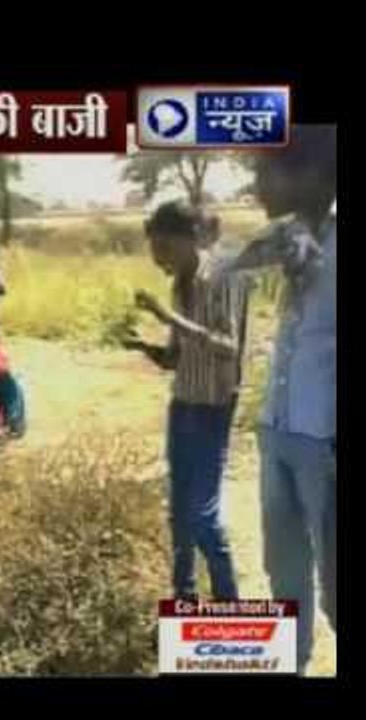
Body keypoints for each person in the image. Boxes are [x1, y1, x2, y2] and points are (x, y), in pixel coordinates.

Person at [219, 126, 336, 674]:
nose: (257, 185)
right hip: (279, 429)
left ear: (312, 177)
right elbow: (220, 268)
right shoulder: (287, 240)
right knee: (282, 571)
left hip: (326, 442)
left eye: (267, 172)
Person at [129, 200, 250, 602]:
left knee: (202, 516)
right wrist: (144, 346)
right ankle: (185, 599)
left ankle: (228, 604)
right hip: (183, 405)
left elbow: (228, 347)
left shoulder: (222, 277)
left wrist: (168, 317)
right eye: (154, 252)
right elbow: (175, 358)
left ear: (190, 239)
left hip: (212, 408)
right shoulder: (179, 285)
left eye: (164, 250)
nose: (159, 260)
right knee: (179, 515)